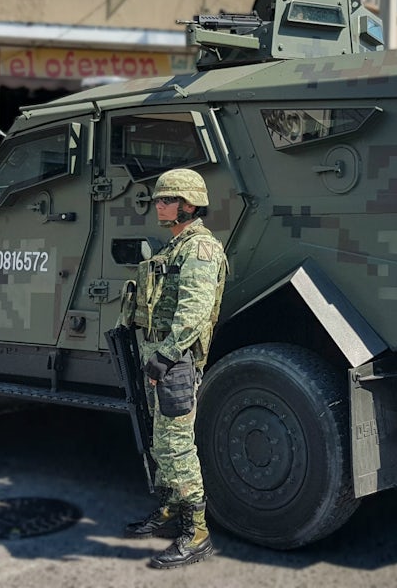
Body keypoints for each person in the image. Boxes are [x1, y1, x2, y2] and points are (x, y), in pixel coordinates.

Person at [122, 168, 227, 570]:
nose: (158, 205)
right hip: (161, 359)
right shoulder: (176, 246)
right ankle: (169, 511)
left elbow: (195, 311)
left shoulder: (200, 250)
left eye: (166, 200)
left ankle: (197, 533)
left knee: (177, 446)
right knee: (160, 440)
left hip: (176, 362)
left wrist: (165, 356)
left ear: (187, 205)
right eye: (159, 200)